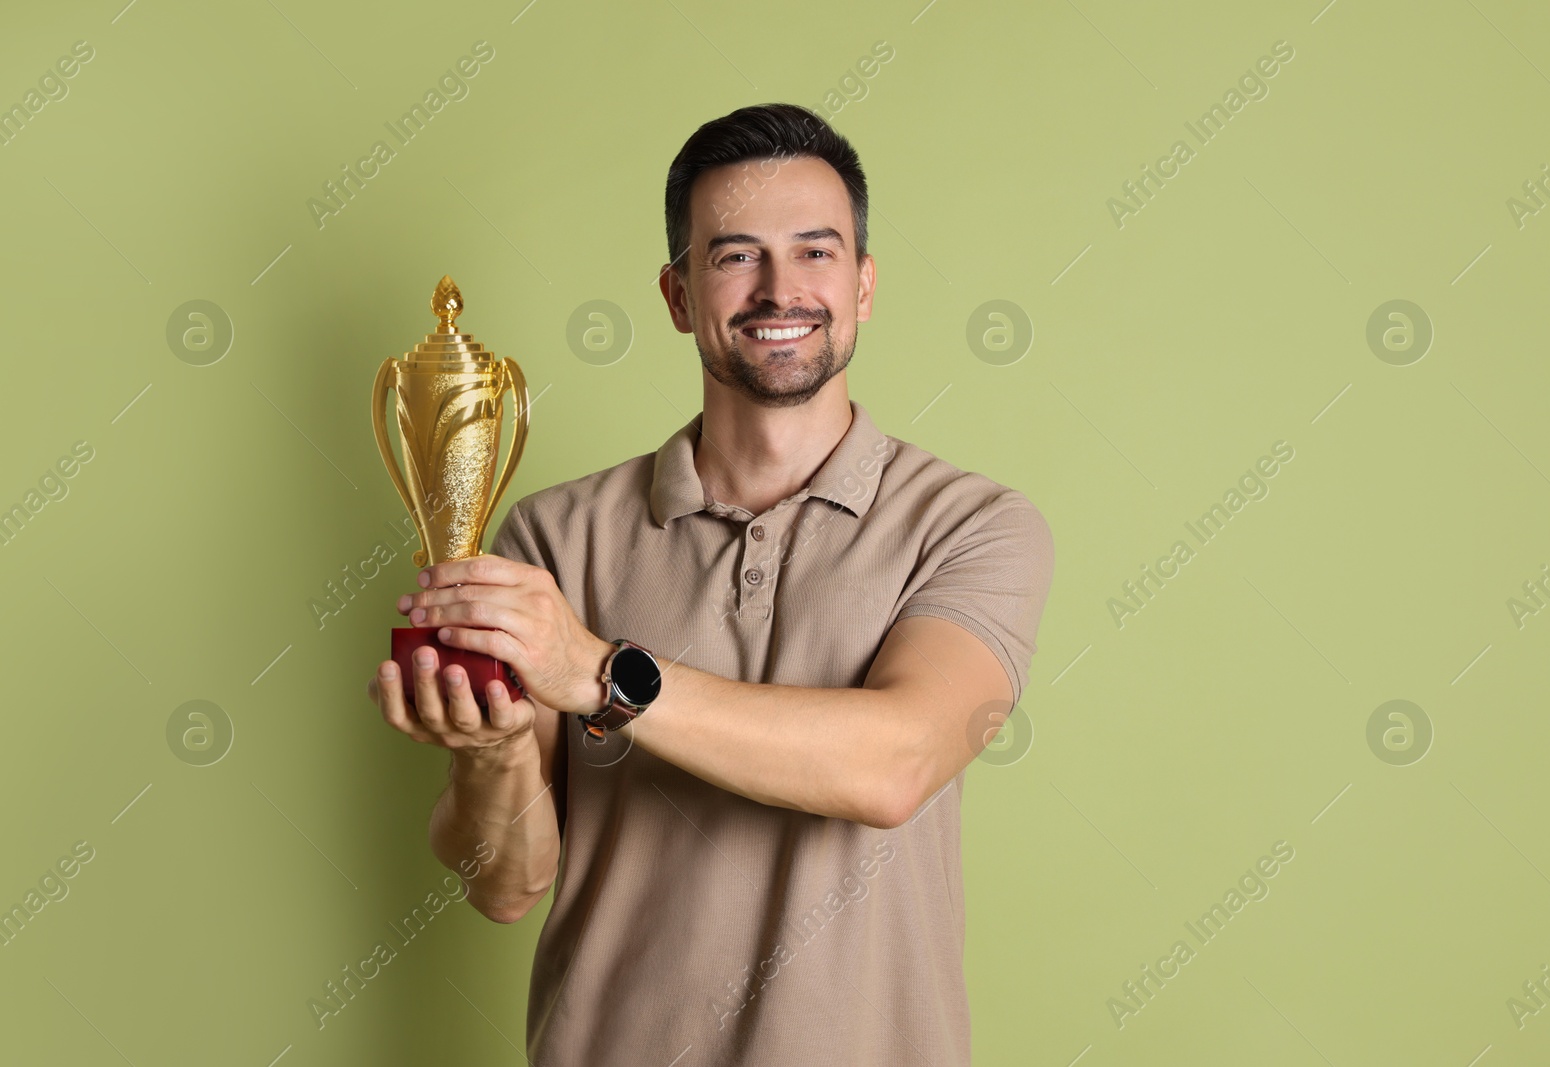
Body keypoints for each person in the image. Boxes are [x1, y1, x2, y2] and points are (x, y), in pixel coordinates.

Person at [369, 101, 1054, 1066]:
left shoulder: (973, 525)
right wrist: (491, 754)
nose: (781, 290)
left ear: (863, 286)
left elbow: (894, 764)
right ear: (680, 295)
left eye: (816, 253)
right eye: (735, 256)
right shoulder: (553, 536)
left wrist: (603, 671)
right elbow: (505, 884)